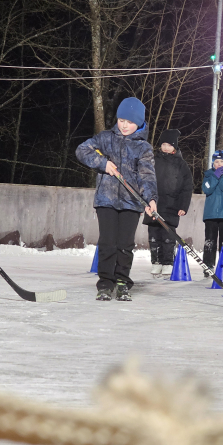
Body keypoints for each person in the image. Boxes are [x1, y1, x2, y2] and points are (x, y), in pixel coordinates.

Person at [76, 97, 157, 302]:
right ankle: (105, 283)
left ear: (138, 123)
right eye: (121, 120)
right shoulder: (105, 138)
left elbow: (147, 176)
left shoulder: (144, 148)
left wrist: (151, 200)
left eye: (129, 122)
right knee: (108, 243)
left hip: (131, 202)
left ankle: (122, 281)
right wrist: (102, 163)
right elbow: (82, 150)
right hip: (107, 199)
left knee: (125, 244)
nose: (124, 125)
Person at [142, 129, 192, 278]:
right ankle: (156, 262)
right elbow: (145, 181)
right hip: (154, 204)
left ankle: (168, 262)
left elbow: (187, 186)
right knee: (154, 235)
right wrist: (143, 203)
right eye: (163, 144)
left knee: (168, 235)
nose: (165, 147)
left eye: (169, 145)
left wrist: (183, 205)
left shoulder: (181, 164)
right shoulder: (153, 160)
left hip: (172, 205)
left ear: (174, 147)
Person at [202, 150, 223, 275]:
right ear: (213, 163)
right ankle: (208, 266)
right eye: (216, 161)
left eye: (222, 161)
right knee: (210, 240)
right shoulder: (208, 175)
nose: (219, 164)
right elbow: (207, 189)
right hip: (210, 214)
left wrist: (221, 177)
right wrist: (215, 176)